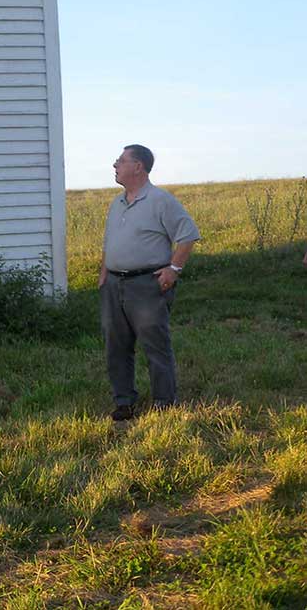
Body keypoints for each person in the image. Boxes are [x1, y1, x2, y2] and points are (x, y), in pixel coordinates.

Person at [99, 144, 200, 421]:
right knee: (116, 345)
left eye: (121, 160)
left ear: (138, 167)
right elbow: (109, 241)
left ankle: (164, 402)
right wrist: (104, 272)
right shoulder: (116, 202)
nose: (115, 165)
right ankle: (124, 402)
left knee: (155, 344)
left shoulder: (160, 200)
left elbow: (188, 234)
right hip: (114, 285)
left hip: (147, 284)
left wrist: (174, 269)